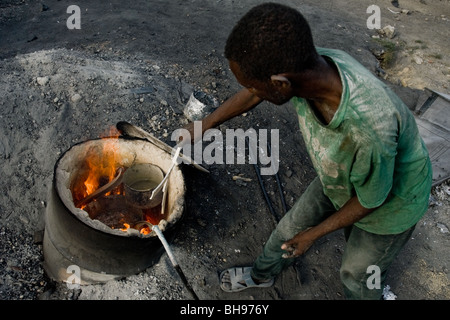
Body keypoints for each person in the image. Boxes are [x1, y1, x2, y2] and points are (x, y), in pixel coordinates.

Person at [184, 3, 432, 299]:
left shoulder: (368, 129)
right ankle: (262, 274)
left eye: (255, 87)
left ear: (280, 84)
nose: (252, 92)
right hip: (340, 174)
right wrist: (207, 124)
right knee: (288, 229)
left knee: (357, 273)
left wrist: (313, 235)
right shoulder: (309, 66)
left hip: (391, 204)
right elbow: (253, 93)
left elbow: (371, 201)